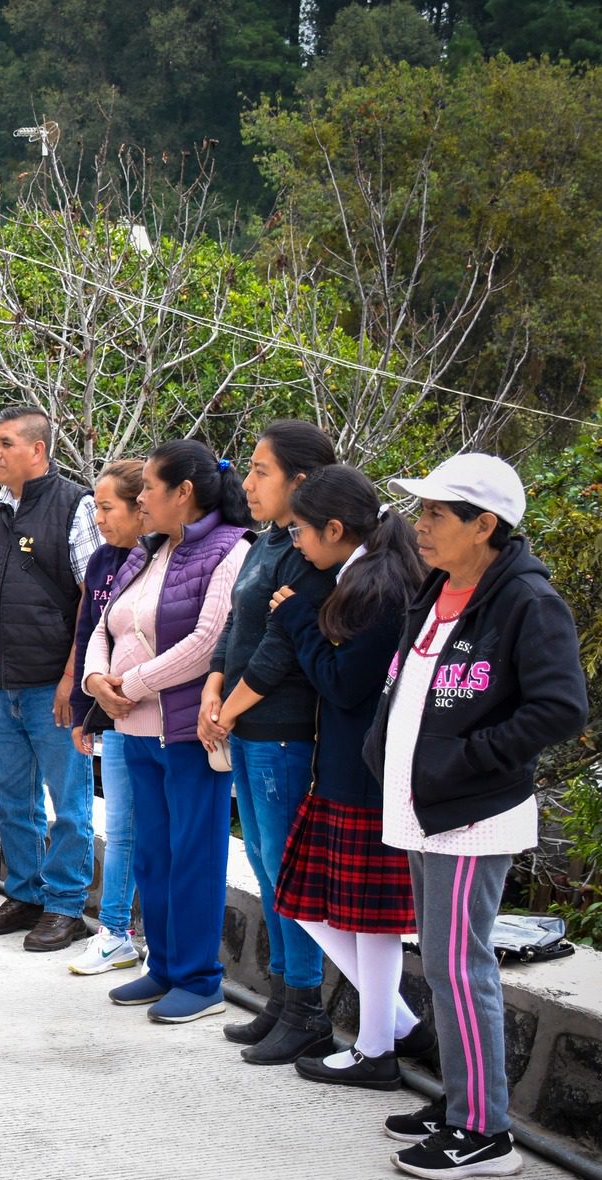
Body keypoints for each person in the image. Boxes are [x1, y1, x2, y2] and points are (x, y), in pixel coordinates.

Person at [365, 453, 588, 1179]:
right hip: (425, 809)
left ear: (484, 525)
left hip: (472, 815)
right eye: (420, 510)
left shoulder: (526, 601)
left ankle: (485, 1130)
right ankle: (461, 1100)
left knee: (462, 967)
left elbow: (559, 708)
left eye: (436, 513)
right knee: (441, 961)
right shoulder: (438, 589)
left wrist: (466, 759)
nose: (419, 525)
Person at [267, 465, 435, 1089]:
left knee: (369, 919)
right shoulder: (361, 575)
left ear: (336, 528)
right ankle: (393, 1026)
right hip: (346, 768)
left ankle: (377, 1049)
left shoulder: (382, 587)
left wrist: (299, 622)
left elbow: (342, 683)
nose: (297, 543)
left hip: (366, 773)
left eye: (302, 531)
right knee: (313, 904)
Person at [82, 440, 254, 1023]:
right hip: (133, 730)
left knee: (194, 855)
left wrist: (127, 686)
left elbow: (207, 644)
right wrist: (94, 678)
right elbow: (105, 622)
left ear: (184, 493)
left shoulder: (231, 550)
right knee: (153, 855)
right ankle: (162, 966)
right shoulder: (149, 550)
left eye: (151, 487)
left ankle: (201, 978)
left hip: (185, 731)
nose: (143, 497)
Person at [198, 419, 340, 1063]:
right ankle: (283, 1002)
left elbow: (281, 651)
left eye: (262, 472)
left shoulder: (310, 555)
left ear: (301, 482)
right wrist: (213, 690)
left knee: (288, 872)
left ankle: (306, 1007)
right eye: (249, 470)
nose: (247, 483)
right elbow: (236, 625)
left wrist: (225, 710)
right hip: (245, 721)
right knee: (263, 864)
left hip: (282, 730)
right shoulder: (265, 545)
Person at [0, 406, 102, 951]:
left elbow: (94, 597)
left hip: (53, 685)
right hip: (3, 682)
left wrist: (73, 676)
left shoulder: (75, 505)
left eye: (3, 443)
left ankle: (64, 906)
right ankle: (24, 894)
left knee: (69, 801)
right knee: (12, 796)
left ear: (37, 450)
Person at [66, 459, 147, 975]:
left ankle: (133, 932)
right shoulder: (99, 563)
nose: (98, 518)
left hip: (155, 713)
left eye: (107, 507)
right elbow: (89, 634)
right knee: (119, 829)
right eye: (95, 507)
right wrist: (83, 708)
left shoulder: (158, 559)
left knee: (148, 831)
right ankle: (115, 931)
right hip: (110, 713)